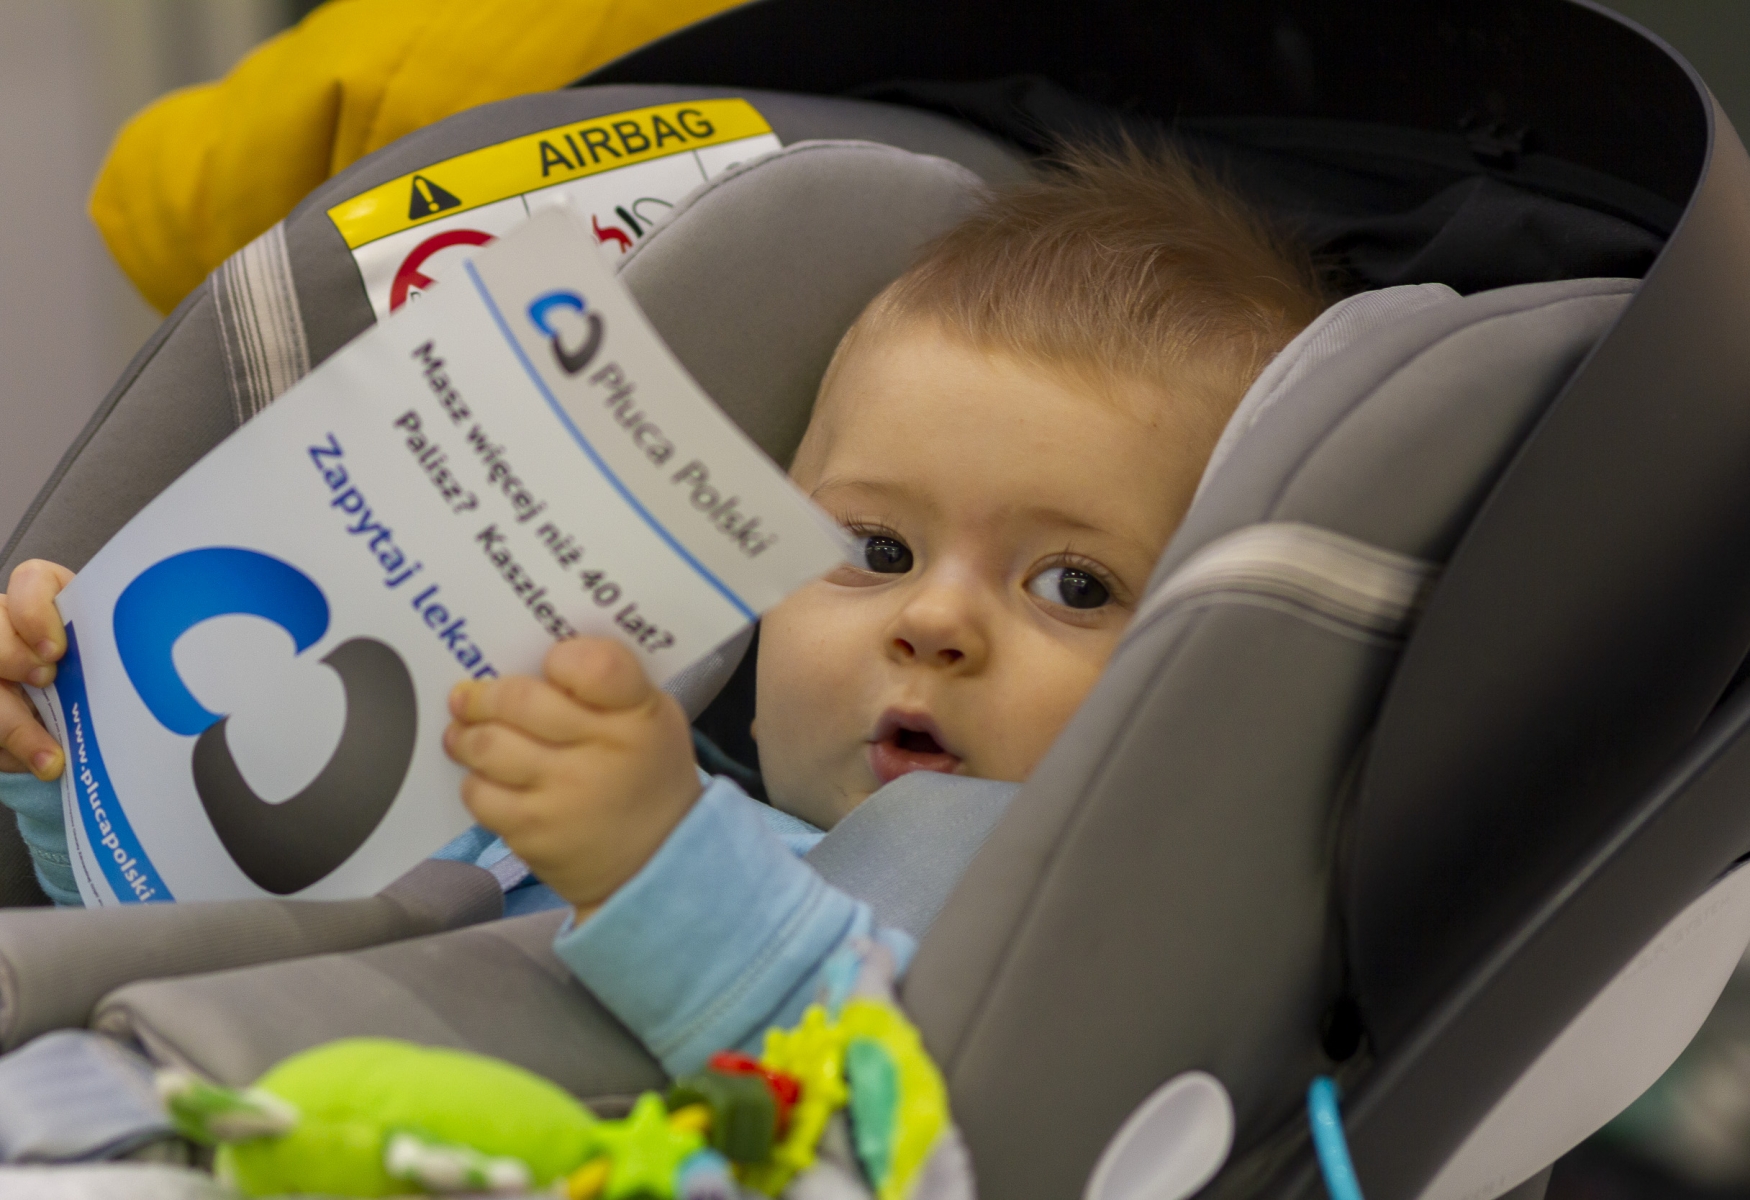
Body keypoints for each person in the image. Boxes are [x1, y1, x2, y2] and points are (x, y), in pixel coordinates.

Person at [0, 142, 1328, 1074]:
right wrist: (68, 745)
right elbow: (207, 930)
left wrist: (656, 869)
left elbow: (904, 1107)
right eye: (874, 547)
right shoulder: (590, 765)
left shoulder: (1068, 932)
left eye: (1073, 585)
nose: (935, 623)